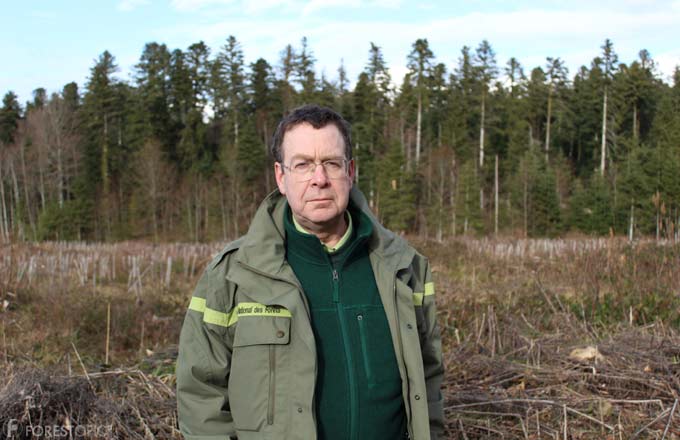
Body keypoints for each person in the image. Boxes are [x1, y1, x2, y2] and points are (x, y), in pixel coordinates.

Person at [176, 104, 444, 440]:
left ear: (350, 171)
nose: (319, 179)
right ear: (280, 176)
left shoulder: (405, 267)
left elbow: (429, 377)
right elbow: (200, 394)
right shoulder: (232, 275)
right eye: (303, 165)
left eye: (331, 163)